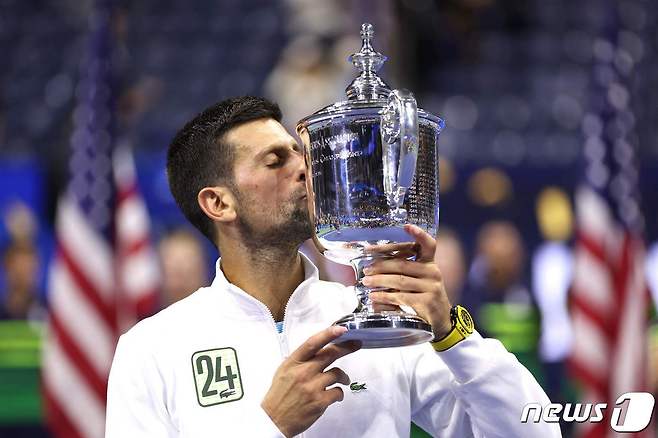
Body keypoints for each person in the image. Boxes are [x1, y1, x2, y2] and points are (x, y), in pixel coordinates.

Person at [105, 96, 559, 437]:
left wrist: (452, 336)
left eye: (299, 154)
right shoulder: (152, 349)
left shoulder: (381, 324)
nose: (304, 169)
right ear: (218, 202)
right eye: (275, 160)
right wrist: (269, 426)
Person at [158, 227, 209, 307]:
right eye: (175, 273)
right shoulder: (149, 317)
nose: (182, 281)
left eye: (189, 272)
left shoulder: (223, 314)